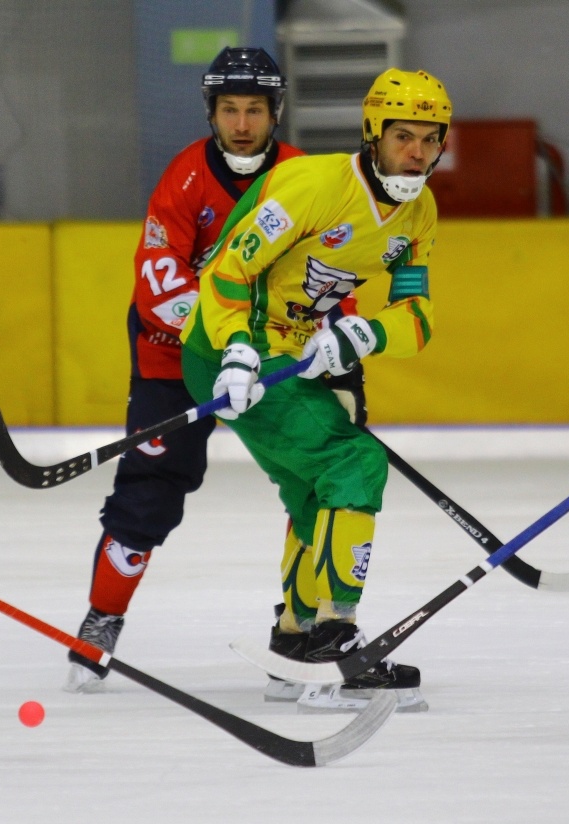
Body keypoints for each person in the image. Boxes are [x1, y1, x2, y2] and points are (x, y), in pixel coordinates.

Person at [177, 67, 452, 713]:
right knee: (352, 460)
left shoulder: (420, 211)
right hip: (228, 350)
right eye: (402, 136)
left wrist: (363, 337)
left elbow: (417, 315)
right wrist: (238, 349)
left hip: (293, 357)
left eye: (429, 139)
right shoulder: (312, 185)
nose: (415, 152)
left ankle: (296, 645)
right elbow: (228, 269)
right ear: (372, 132)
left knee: (314, 493)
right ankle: (337, 645)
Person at [63, 46, 316, 693]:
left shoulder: (303, 178)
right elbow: (157, 282)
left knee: (315, 482)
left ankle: (302, 628)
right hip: (171, 356)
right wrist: (228, 343)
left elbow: (330, 268)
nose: (240, 123)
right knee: (146, 492)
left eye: (253, 110)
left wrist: (312, 338)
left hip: (270, 360)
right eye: (229, 109)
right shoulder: (182, 178)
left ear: (273, 112)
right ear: (212, 111)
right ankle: (101, 621)